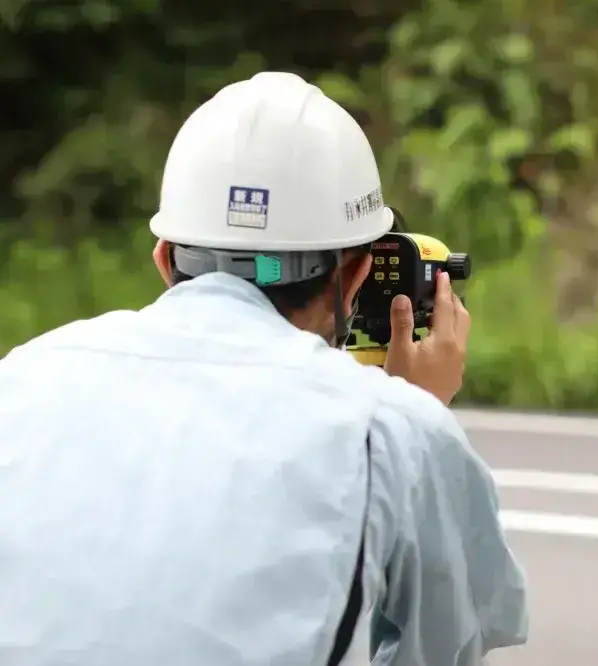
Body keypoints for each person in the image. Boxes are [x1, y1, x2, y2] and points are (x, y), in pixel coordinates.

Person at [0, 71, 529, 666]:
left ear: (164, 257)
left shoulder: (21, 376)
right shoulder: (389, 430)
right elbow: (445, 646)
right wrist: (415, 419)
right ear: (355, 274)